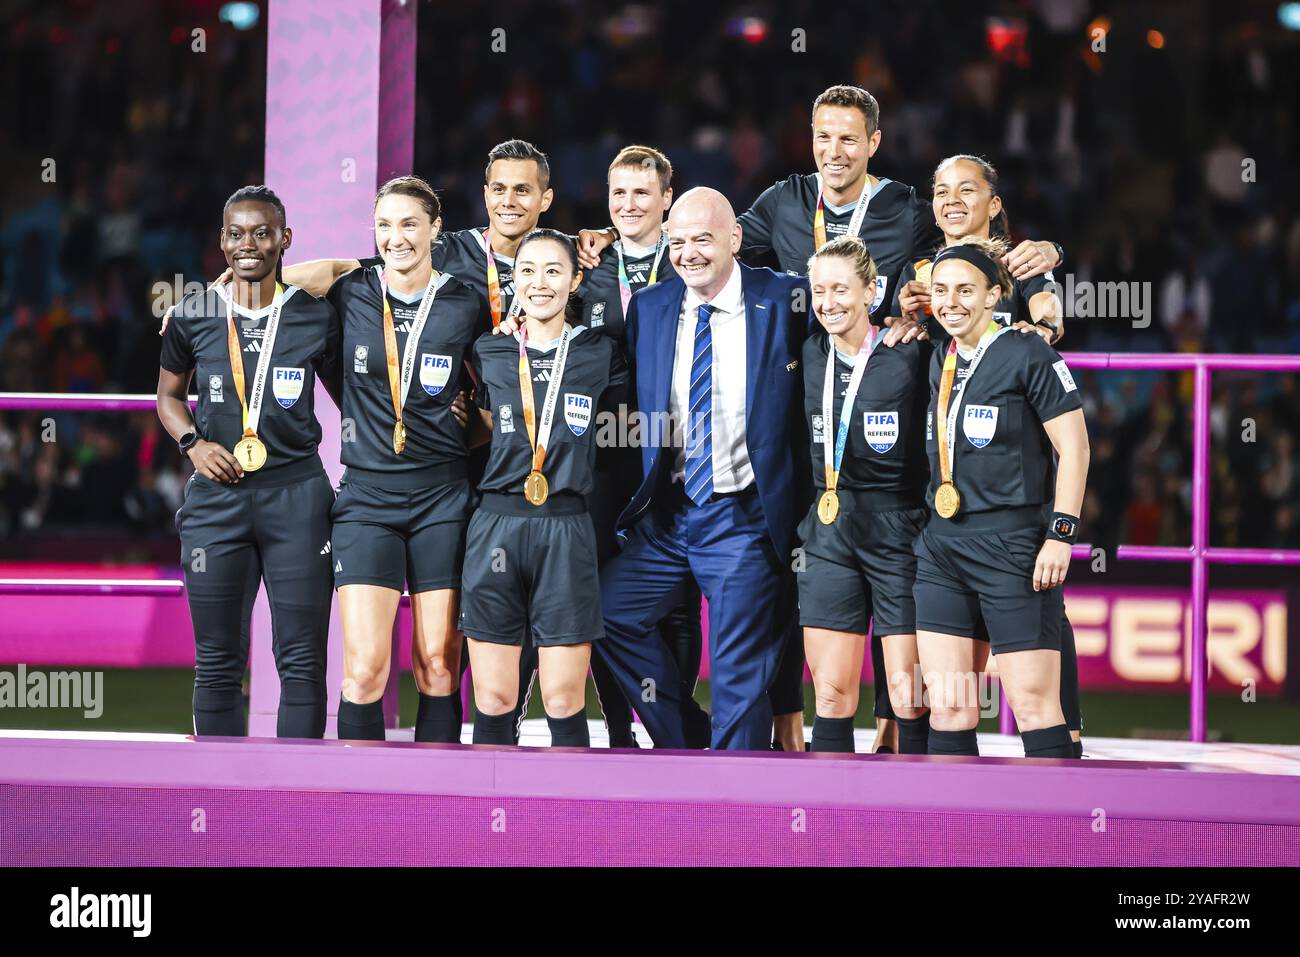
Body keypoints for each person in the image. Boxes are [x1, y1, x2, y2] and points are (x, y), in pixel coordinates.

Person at [593, 187, 813, 751]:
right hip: (668, 516)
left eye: (703, 239)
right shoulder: (651, 306)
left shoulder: (788, 298)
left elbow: (847, 321)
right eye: (678, 241)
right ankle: (689, 742)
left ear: (735, 238)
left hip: (744, 516)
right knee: (604, 614)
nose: (688, 253)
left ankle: (737, 791)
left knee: (739, 675)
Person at [889, 154, 1083, 757]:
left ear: (994, 203)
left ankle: (1070, 802)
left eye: (966, 190)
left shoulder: (1023, 273)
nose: (951, 200)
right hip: (940, 524)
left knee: (1037, 703)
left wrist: (1044, 321)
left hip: (1012, 524)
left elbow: (1050, 322)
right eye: (940, 191)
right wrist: (901, 313)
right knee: (948, 701)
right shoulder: (919, 276)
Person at [157, 185, 338, 738]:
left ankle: (297, 787)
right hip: (217, 502)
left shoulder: (315, 316)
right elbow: (167, 398)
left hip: (298, 500)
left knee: (303, 663)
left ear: (285, 239)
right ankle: (222, 788)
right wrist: (193, 444)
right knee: (216, 663)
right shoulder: (192, 314)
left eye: (262, 233)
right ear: (222, 241)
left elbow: (357, 401)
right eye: (236, 234)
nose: (248, 244)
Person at [324, 176, 489, 743]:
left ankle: (439, 796)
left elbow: (501, 386)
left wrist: (471, 427)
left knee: (438, 666)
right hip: (366, 500)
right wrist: (222, 285)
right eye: (385, 225)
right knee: (364, 671)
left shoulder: (466, 301)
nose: (396, 237)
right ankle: (356, 796)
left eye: (410, 224)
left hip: (443, 499)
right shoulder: (351, 290)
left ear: (435, 229)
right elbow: (286, 277)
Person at [461, 229, 628, 747]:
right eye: (528, 270)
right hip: (497, 525)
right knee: (494, 699)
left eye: (554, 271)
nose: (539, 282)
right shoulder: (489, 348)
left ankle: (567, 803)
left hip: (566, 526)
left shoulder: (600, 352)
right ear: (513, 278)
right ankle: (486, 801)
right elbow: (481, 427)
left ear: (575, 280)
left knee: (562, 699)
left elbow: (624, 432)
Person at [575, 145, 708, 748]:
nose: (629, 205)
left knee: (677, 598)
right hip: (606, 455)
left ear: (666, 199)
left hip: (675, 451)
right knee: (604, 590)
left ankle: (675, 728)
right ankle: (619, 729)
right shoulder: (586, 267)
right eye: (619, 193)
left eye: (642, 193)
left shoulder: (688, 262)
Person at [798, 236, 930, 753]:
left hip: (901, 529)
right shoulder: (808, 351)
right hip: (829, 527)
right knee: (831, 696)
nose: (828, 302)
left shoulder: (911, 350)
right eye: (819, 290)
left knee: (909, 697)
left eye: (841, 289)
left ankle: (921, 801)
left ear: (872, 291)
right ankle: (829, 806)